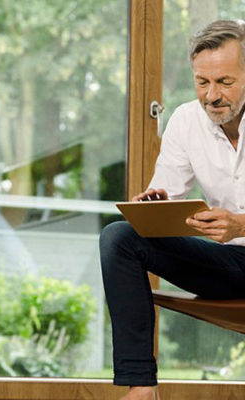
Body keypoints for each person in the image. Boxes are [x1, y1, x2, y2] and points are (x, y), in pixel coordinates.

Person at [100, 19, 245, 400]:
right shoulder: (185, 120)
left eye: (225, 82)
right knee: (120, 237)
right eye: (202, 82)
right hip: (227, 264)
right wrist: (156, 206)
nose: (212, 95)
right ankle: (142, 388)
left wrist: (241, 224)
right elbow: (165, 192)